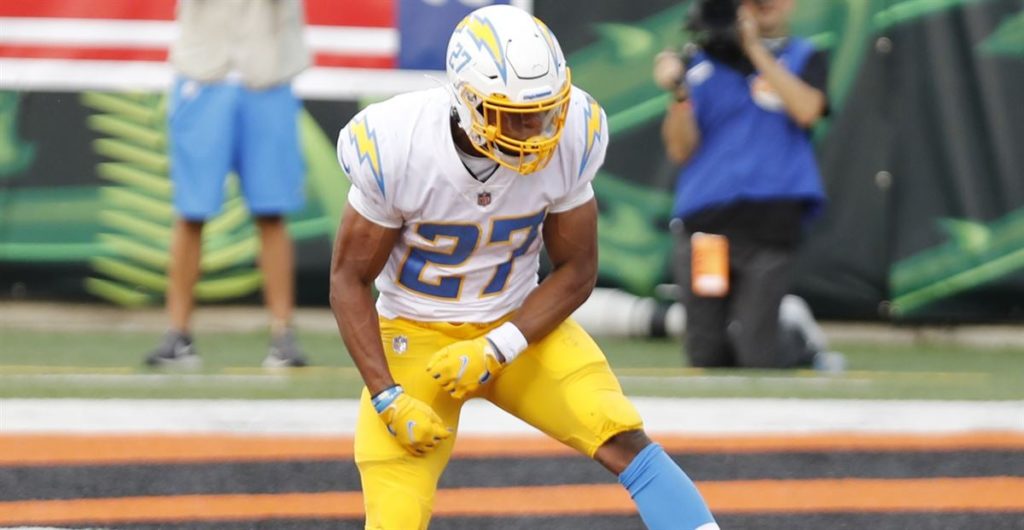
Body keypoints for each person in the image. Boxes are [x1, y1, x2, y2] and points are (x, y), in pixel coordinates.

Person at [330, 5, 719, 530]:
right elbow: (349, 279)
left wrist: (498, 346)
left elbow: (578, 270)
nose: (536, 128)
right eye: (513, 114)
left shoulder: (573, 133)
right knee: (394, 514)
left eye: (545, 110)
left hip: (519, 327)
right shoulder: (397, 143)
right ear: (467, 101)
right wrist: (387, 396)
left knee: (622, 436)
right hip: (414, 335)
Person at [655, 0, 832, 368]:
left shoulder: (804, 56)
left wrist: (753, 48)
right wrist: (679, 92)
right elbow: (680, 148)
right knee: (705, 352)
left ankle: (800, 342)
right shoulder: (699, 63)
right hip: (707, 226)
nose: (765, 4)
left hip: (770, 222)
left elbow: (808, 111)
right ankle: (775, 327)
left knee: (755, 352)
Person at [145, 0, 310, 368]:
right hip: (203, 72)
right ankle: (178, 334)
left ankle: (283, 335)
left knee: (272, 212)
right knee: (191, 211)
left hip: (268, 74)